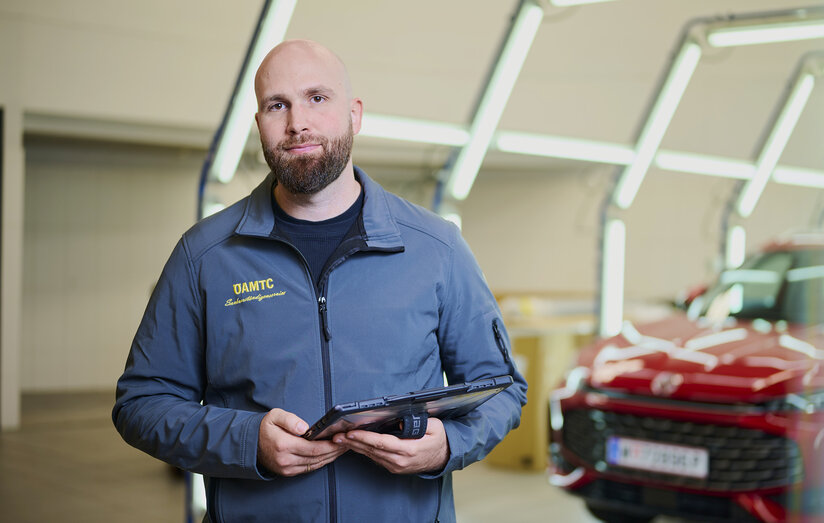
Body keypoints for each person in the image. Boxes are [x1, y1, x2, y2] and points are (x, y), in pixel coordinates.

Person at [112, 39, 527, 522]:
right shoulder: (205, 256)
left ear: (354, 113)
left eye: (317, 98)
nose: (297, 123)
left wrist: (447, 446)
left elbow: (502, 389)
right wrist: (248, 442)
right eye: (276, 105)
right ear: (259, 123)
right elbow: (141, 404)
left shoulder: (438, 249)